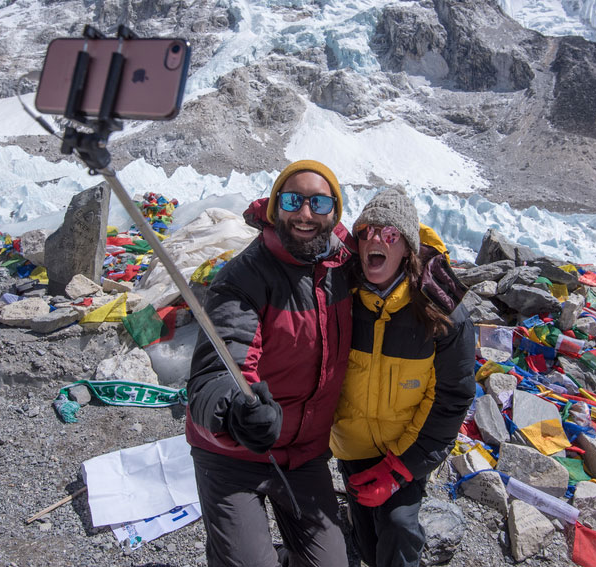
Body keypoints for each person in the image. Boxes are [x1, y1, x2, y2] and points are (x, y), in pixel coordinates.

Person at [186, 159, 356, 567]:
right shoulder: (243, 277)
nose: (304, 214)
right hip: (233, 453)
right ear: (275, 206)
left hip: (304, 452)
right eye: (293, 200)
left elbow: (395, 278)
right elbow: (217, 370)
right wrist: (235, 414)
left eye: (318, 203)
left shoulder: (345, 268)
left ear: (334, 212)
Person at [331, 186, 475, 567]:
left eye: (389, 233)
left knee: (397, 528)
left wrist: (400, 469)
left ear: (408, 247)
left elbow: (452, 397)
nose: (375, 239)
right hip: (353, 448)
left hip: (405, 450)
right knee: (365, 535)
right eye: (367, 231)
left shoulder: (440, 313)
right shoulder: (339, 294)